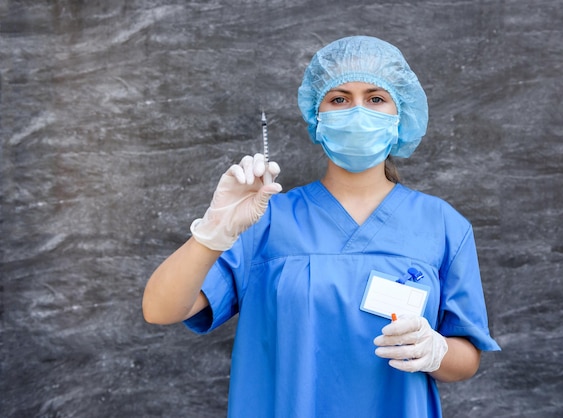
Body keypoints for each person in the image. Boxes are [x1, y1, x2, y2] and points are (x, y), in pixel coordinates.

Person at [143, 35, 500, 417]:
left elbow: (467, 359)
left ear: (401, 115)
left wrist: (436, 350)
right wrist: (213, 231)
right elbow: (160, 309)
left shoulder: (441, 225)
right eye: (340, 99)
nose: (358, 111)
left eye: (376, 98)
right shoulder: (265, 220)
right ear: (318, 114)